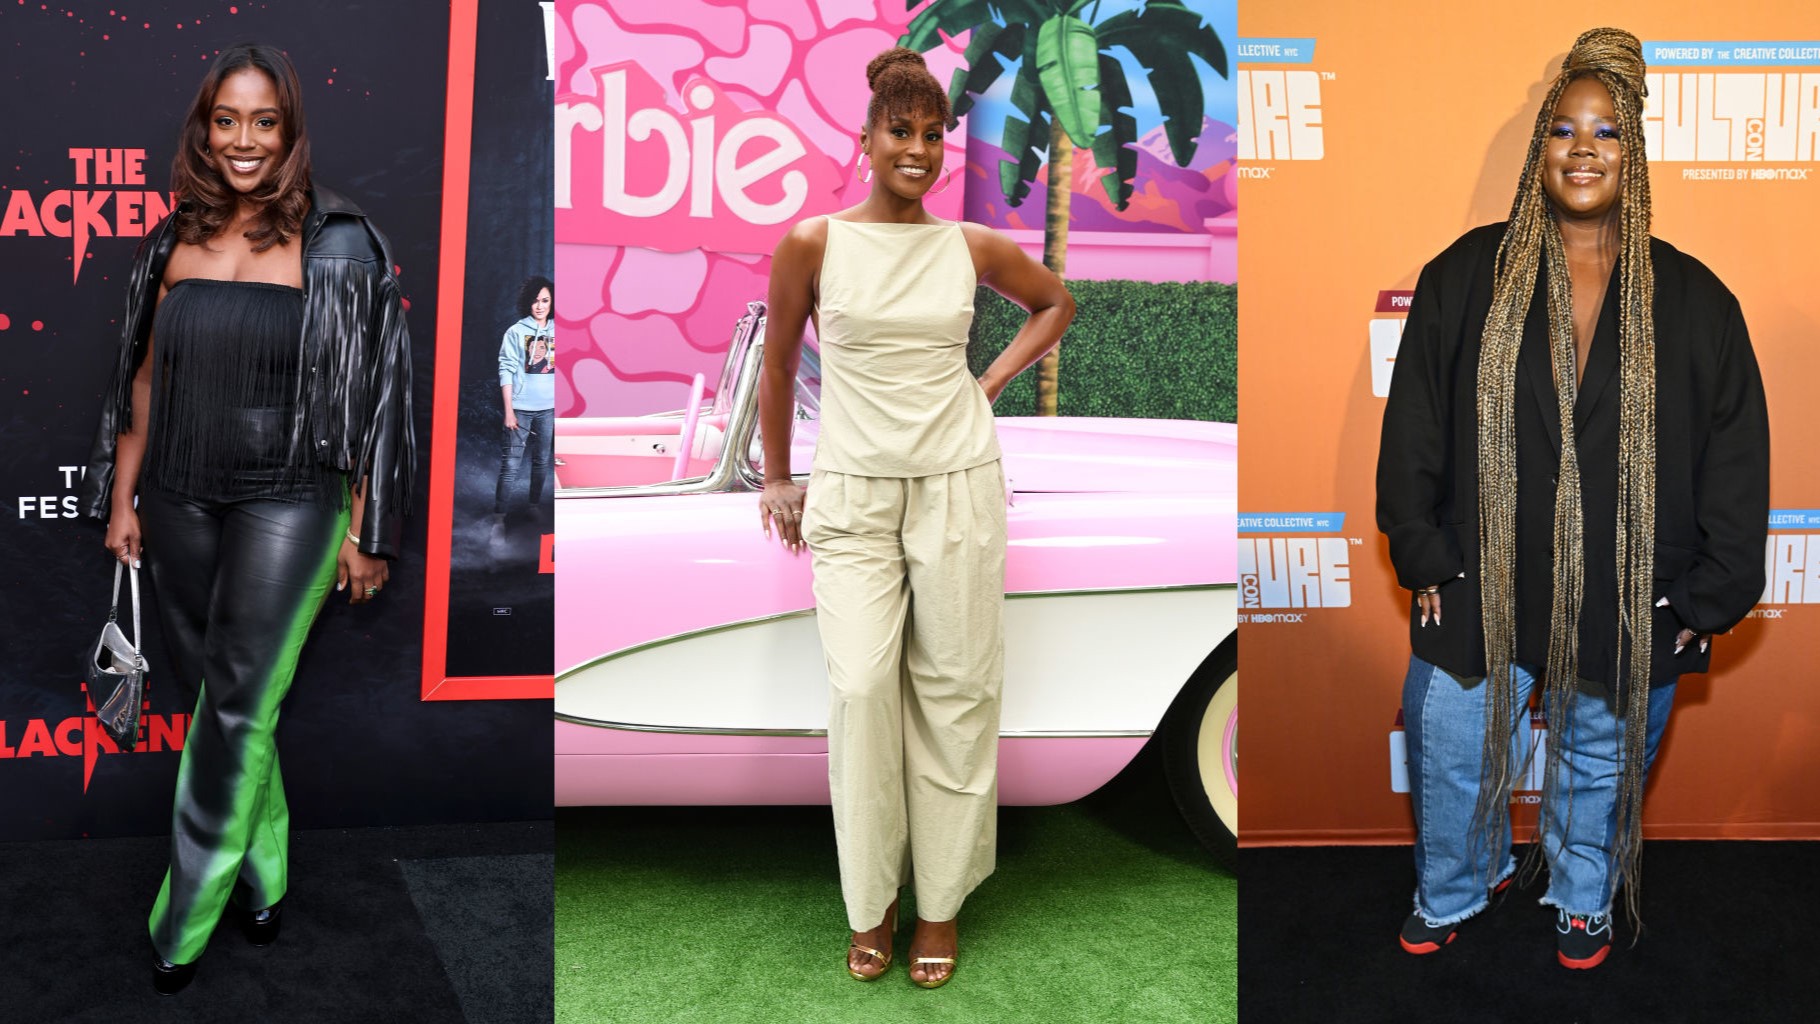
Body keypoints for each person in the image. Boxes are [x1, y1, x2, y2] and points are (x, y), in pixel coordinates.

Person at [1376, 28, 1768, 970]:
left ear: (1633, 155)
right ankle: (1458, 886)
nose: (1583, 148)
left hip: (1639, 584)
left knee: (1604, 755)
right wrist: (1422, 550)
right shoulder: (1465, 277)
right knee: (1449, 742)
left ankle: (1584, 889)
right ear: (1538, 151)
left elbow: (1735, 457)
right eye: (1563, 129)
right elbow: (1417, 423)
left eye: (1606, 132)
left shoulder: (1698, 301)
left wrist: (1708, 596)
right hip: (1482, 568)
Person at [82, 43, 414, 994]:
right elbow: (143, 377)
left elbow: (379, 398)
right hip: (180, 496)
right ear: (204, 128)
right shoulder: (174, 237)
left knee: (232, 704)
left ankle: (179, 923)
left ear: (291, 132)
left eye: (263, 122)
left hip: (292, 500)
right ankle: (265, 874)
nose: (243, 140)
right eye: (227, 119)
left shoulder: (338, 240)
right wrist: (123, 496)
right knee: (226, 707)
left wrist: (368, 529)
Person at [758, 47, 1074, 989]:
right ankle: (873, 905)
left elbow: (1055, 303)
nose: (921, 150)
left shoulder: (970, 246)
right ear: (866, 139)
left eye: (934, 135)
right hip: (852, 491)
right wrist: (778, 480)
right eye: (903, 132)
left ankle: (937, 905)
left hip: (958, 488)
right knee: (860, 692)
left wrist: (988, 382)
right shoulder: (811, 243)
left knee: (956, 696)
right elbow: (779, 364)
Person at [493, 275, 555, 544]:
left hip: (549, 409)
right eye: (535, 301)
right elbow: (505, 369)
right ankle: (498, 520)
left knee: (541, 462)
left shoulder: (560, 330)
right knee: (510, 466)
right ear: (527, 303)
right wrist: (509, 411)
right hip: (520, 408)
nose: (540, 306)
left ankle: (533, 507)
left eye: (545, 300)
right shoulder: (516, 332)